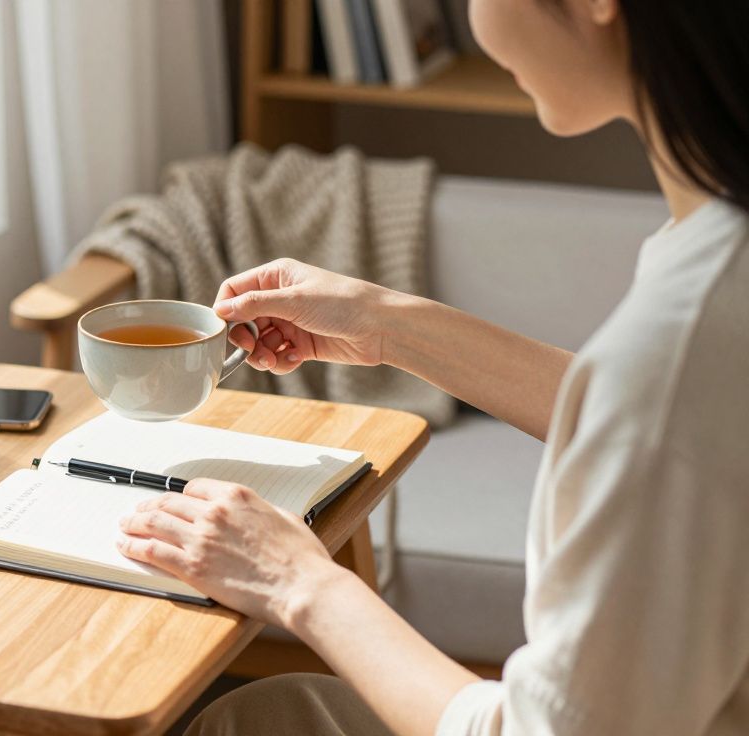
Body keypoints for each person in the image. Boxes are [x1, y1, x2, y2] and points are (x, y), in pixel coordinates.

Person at [115, 1, 749, 734]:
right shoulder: (714, 249)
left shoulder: (681, 334)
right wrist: (386, 324)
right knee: (273, 712)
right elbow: (661, 421)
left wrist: (299, 582)